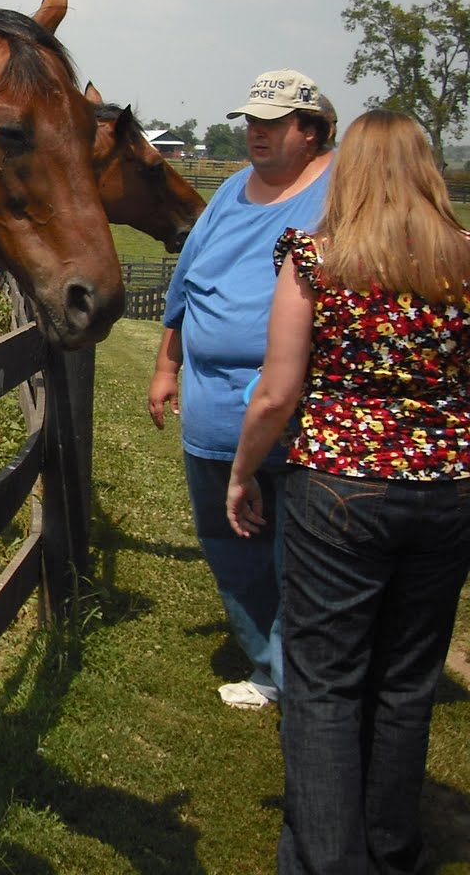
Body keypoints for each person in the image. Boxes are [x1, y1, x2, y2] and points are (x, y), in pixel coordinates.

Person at [226, 110, 470, 874]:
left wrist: (241, 473)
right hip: (450, 487)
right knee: (406, 678)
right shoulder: (463, 261)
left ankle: (328, 858)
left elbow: (276, 392)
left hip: (339, 483)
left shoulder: (316, 259)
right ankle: (392, 846)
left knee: (326, 682)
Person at [148, 70, 336, 709]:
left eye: (272, 122)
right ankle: (268, 661)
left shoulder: (337, 196)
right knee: (228, 541)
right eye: (251, 121)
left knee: (298, 548)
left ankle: (299, 673)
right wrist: (166, 365)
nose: (254, 132)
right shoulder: (231, 191)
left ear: (310, 131)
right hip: (211, 409)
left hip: (295, 414)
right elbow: (185, 285)